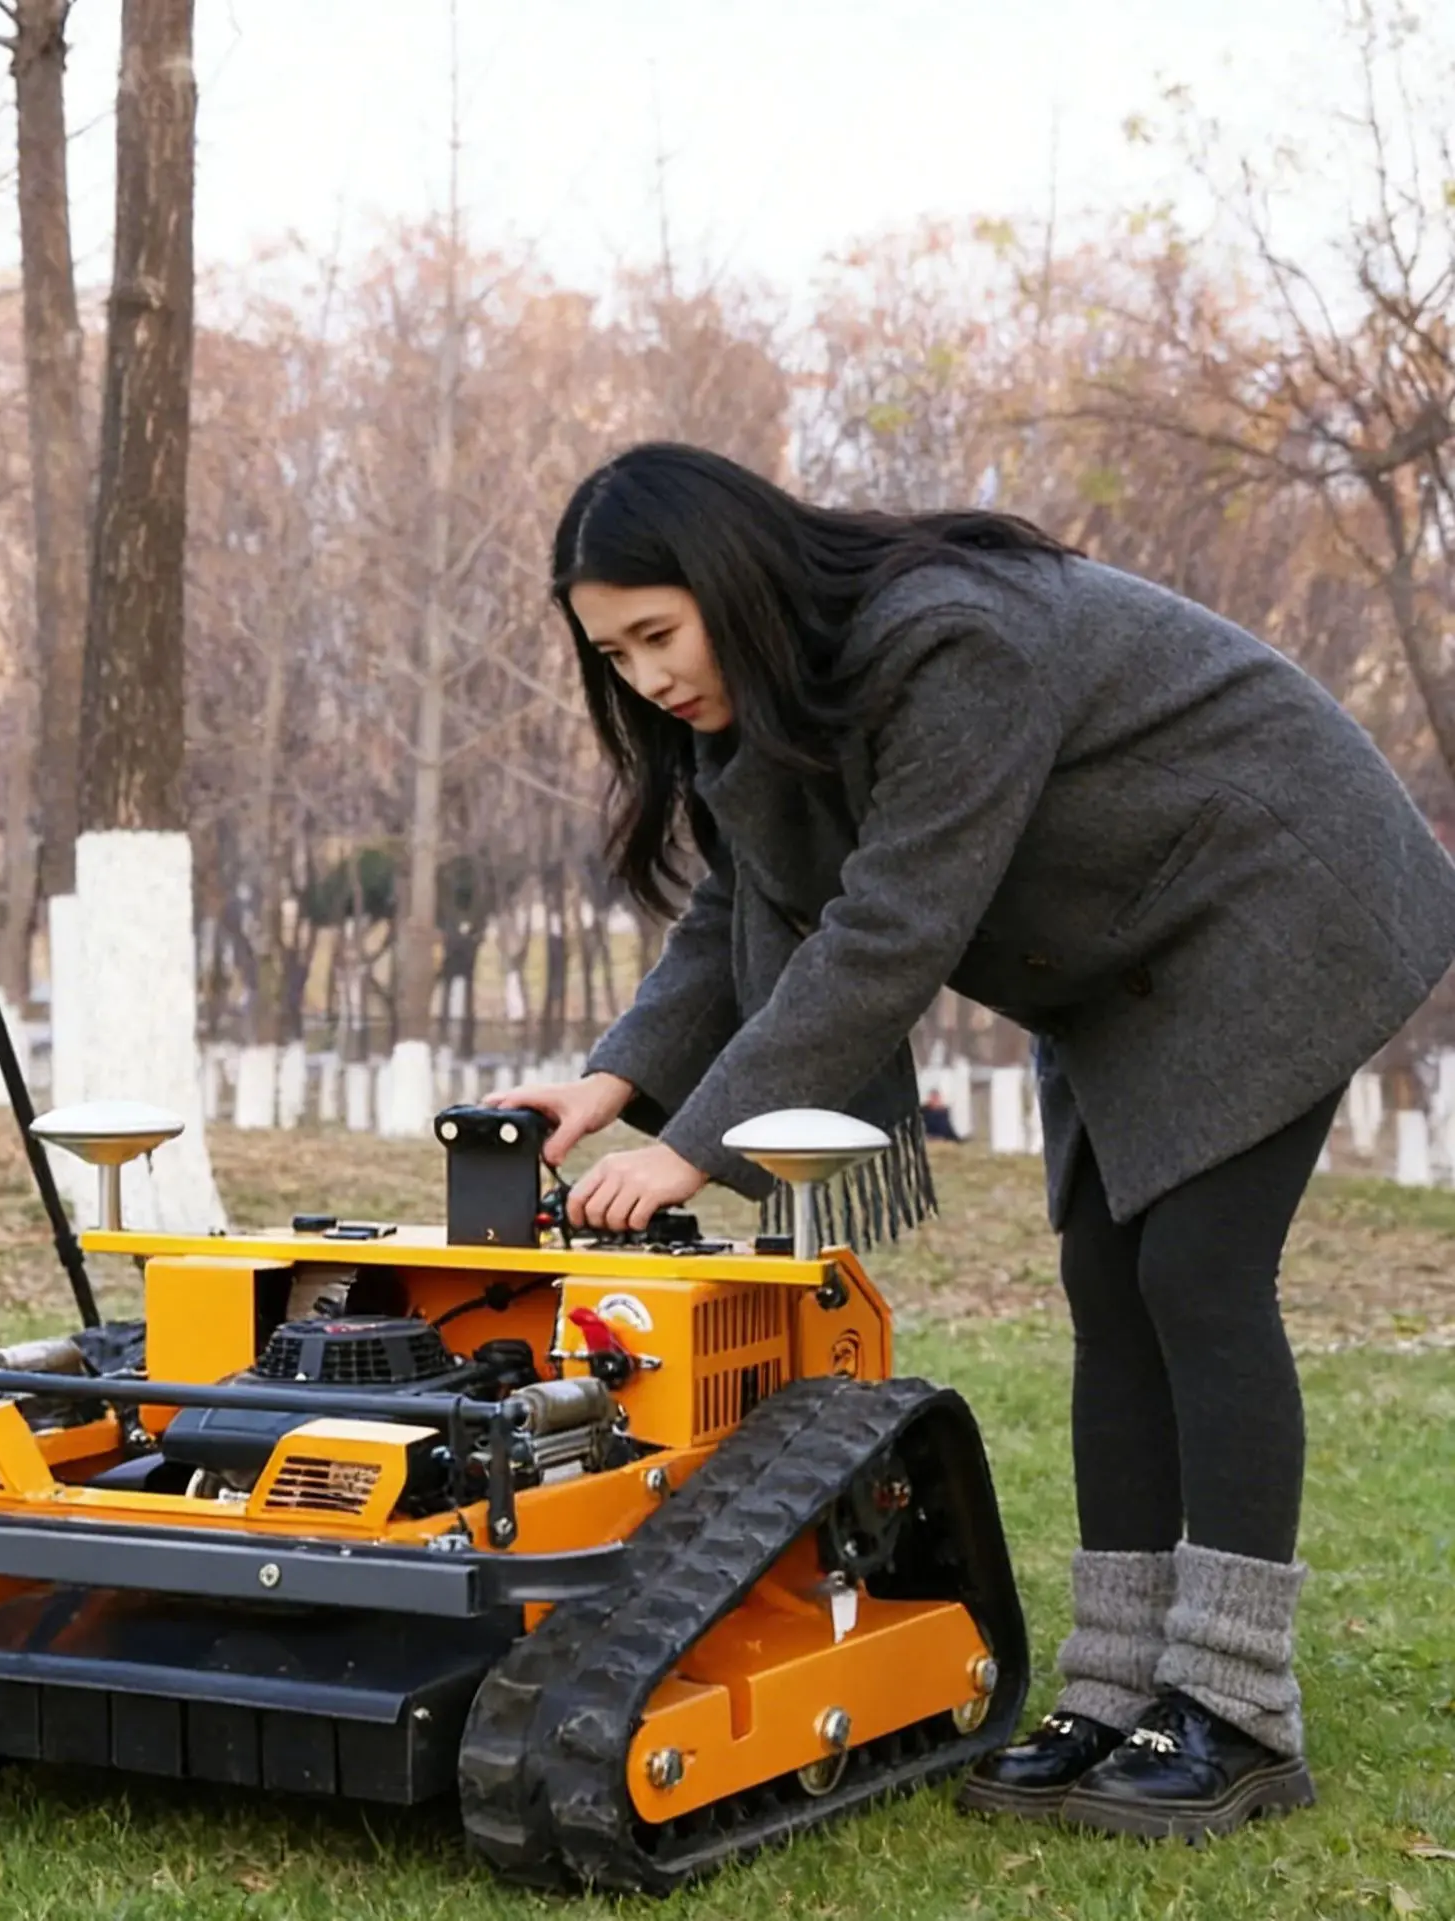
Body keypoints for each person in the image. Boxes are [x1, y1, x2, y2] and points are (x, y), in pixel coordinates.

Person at [492, 442, 1455, 1842]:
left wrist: (691, 1152)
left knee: (1197, 1277)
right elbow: (744, 908)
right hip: (1121, 945)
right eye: (614, 654)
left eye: (656, 634)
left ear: (732, 580)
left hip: (1276, 888)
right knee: (1108, 1293)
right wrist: (610, 1084)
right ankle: (1121, 1682)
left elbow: (888, 928)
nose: (643, 678)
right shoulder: (768, 705)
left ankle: (1236, 1711)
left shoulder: (951, 642)